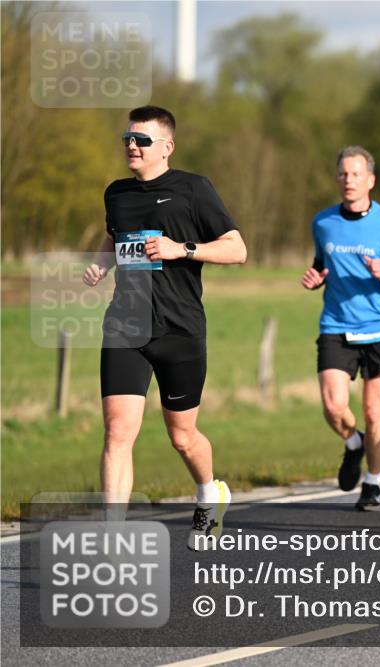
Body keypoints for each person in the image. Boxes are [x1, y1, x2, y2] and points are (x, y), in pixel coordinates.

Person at [82, 105, 247, 549]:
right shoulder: (116, 193)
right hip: (126, 326)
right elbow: (113, 237)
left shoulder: (194, 190)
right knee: (117, 432)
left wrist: (183, 249)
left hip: (179, 329)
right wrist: (101, 265)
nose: (132, 146)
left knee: (182, 436)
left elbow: (237, 250)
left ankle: (209, 492)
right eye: (127, 139)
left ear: (167, 147)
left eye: (142, 140)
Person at [301, 146, 380, 512]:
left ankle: (373, 483)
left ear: (370, 180)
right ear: (337, 179)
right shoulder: (323, 223)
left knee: (373, 410)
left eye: (356, 174)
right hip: (337, 322)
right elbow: (322, 263)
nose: (349, 180)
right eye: (343, 174)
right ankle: (354, 443)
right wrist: (315, 277)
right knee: (334, 405)